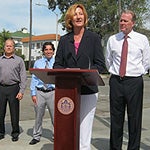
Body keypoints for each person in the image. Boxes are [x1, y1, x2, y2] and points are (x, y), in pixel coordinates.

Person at [53, 3, 106, 150]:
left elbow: (100, 65)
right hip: (67, 92)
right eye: (75, 14)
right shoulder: (64, 40)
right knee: (68, 128)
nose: (78, 17)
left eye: (81, 14)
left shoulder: (94, 38)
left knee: (84, 129)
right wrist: (68, 71)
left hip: (88, 90)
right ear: (70, 18)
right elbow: (57, 65)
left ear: (85, 17)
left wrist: (83, 73)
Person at [106, 10, 150, 149]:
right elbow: (109, 60)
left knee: (135, 118)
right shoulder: (113, 39)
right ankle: (115, 147)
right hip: (116, 82)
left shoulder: (142, 39)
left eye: (125, 21)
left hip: (134, 82)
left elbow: (146, 61)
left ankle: (133, 147)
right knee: (116, 118)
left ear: (133, 23)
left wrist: (136, 73)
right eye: (121, 20)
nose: (122, 23)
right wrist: (116, 73)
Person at [0, 38, 27, 142]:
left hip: (14, 88)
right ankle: (0, 132)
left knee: (14, 112)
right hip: (1, 88)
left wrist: (21, 91)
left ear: (14, 48)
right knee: (0, 112)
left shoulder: (19, 60)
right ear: (4, 47)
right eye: (7, 45)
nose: (9, 47)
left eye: (11, 45)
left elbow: (23, 76)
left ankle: (15, 132)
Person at [29, 42, 55, 145]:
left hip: (53, 92)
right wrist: (33, 93)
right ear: (43, 51)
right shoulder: (38, 63)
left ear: (53, 51)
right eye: (46, 49)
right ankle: (36, 136)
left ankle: (56, 136)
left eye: (50, 49)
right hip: (40, 92)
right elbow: (34, 78)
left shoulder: (57, 63)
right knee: (38, 116)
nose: (48, 51)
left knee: (55, 117)